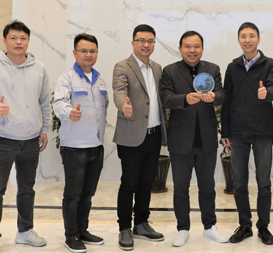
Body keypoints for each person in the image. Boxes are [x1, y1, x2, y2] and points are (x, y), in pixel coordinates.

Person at [0, 20, 50, 253]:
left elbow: (44, 102)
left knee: (27, 188)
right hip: (3, 139)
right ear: (5, 40)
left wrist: (44, 129)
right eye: (13, 38)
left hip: (31, 139)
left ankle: (25, 231)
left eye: (23, 38)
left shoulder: (39, 68)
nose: (18, 42)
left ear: (28, 41)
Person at [159, 31, 229, 247]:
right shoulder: (170, 71)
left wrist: (213, 97)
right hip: (180, 139)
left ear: (202, 48)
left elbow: (222, 94)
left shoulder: (213, 69)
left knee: (207, 187)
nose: (192, 50)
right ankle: (183, 229)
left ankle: (209, 227)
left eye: (196, 46)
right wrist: (185, 99)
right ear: (180, 48)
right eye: (188, 46)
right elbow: (165, 98)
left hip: (206, 138)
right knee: (181, 188)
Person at [221, 22, 273, 245]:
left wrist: (267, 93)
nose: (247, 40)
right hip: (237, 133)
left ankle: (263, 226)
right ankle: (245, 225)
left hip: (262, 132)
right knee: (239, 184)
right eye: (243, 36)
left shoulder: (270, 64)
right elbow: (227, 99)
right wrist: (225, 130)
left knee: (264, 182)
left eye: (252, 36)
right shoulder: (232, 67)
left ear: (258, 39)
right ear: (239, 40)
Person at [112, 24, 166, 251]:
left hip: (153, 135)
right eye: (142, 40)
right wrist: (122, 106)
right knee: (129, 184)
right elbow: (119, 91)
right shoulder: (122, 66)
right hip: (131, 136)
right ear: (133, 42)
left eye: (150, 41)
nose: (146, 45)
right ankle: (124, 227)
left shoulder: (158, 68)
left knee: (147, 183)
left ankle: (141, 224)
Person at [52, 33, 108, 253]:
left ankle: (83, 230)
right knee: (73, 195)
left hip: (96, 146)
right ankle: (71, 235)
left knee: (87, 194)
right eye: (83, 51)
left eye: (92, 51)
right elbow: (59, 103)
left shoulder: (100, 79)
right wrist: (69, 113)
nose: (88, 55)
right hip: (75, 147)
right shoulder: (67, 78)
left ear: (97, 54)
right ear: (75, 53)